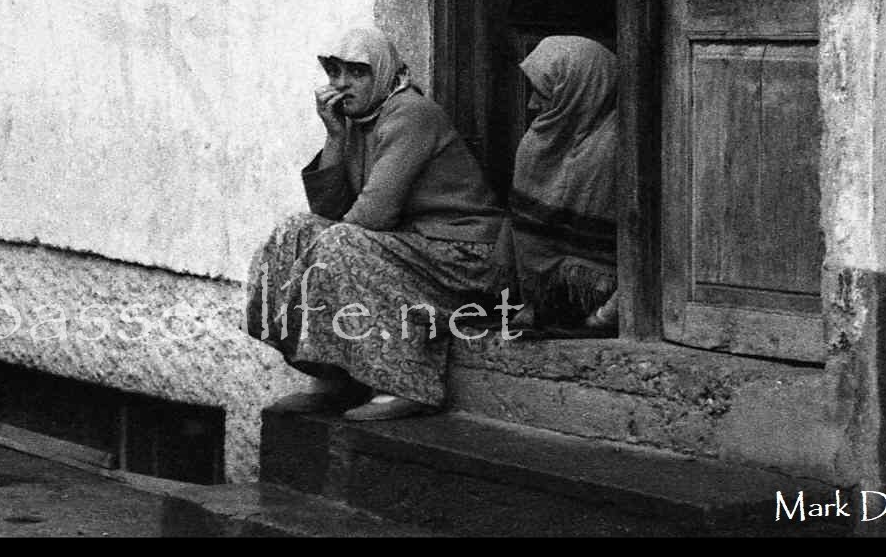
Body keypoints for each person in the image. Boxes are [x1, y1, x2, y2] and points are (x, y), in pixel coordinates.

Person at [245, 26, 514, 421]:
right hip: (410, 248)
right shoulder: (357, 120)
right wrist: (334, 136)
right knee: (295, 231)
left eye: (357, 73)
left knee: (341, 243)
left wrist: (325, 251)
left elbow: (373, 215)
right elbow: (328, 212)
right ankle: (335, 375)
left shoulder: (411, 115)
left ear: (384, 73)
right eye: (335, 73)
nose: (342, 84)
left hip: (464, 256)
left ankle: (404, 385)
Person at [507, 36, 619, 336]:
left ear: (579, 90)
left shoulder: (617, 148)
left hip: (602, 307)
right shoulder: (537, 144)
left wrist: (602, 317)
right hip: (547, 307)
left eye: (544, 92)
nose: (531, 104)